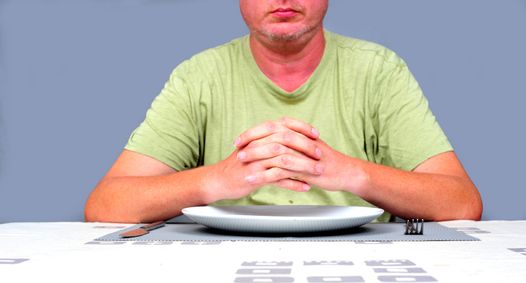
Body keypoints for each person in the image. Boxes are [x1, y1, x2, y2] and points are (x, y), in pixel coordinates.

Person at [85, 0, 482, 223]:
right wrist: (215, 181)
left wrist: (350, 173)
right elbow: (107, 205)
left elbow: (462, 203)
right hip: (219, 270)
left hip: (361, 267)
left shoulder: (378, 70)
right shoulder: (199, 76)